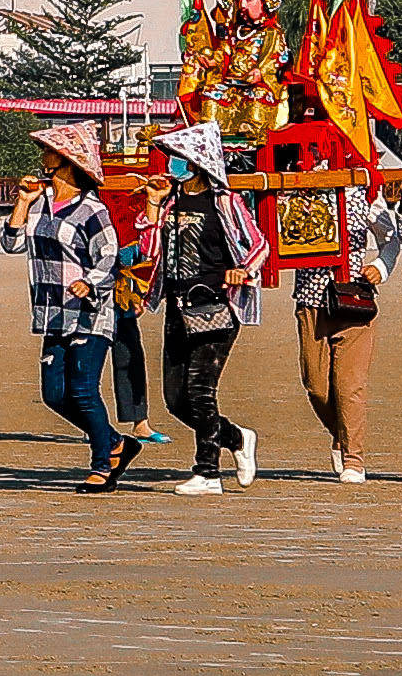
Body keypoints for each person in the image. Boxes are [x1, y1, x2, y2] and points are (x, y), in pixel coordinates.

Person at [148, 128, 269, 490]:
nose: (172, 164)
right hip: (177, 306)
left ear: (198, 163)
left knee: (200, 390)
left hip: (215, 306)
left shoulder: (226, 202)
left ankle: (207, 472)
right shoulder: (170, 203)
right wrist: (153, 207)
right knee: (175, 399)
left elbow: (258, 244)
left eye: (178, 157)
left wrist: (243, 271)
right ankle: (236, 438)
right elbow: (151, 250)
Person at [25, 173, 133, 488]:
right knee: (55, 395)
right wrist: (22, 202)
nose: (44, 158)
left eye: (51, 152)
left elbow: (109, 255)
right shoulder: (38, 204)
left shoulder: (91, 209)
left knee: (84, 390)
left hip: (90, 312)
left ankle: (102, 466)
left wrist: (89, 282)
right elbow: (12, 241)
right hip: (52, 311)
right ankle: (116, 443)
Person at [292, 160, 390, 481]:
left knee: (350, 386)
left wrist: (381, 265)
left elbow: (392, 237)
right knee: (315, 384)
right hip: (310, 300)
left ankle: (354, 458)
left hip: (352, 299)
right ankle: (342, 435)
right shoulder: (298, 181)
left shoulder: (363, 185)